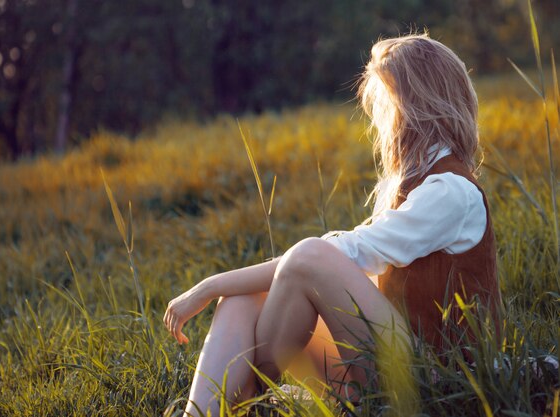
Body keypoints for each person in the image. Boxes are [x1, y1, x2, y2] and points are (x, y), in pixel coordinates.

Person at [163, 32, 501, 416]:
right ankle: (203, 411)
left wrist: (207, 286)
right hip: (396, 357)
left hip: (439, 380)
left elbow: (334, 255)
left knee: (308, 255)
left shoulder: (449, 191)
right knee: (244, 296)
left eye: (385, 105)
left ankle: (246, 396)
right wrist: (225, 287)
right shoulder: (419, 183)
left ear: (415, 107)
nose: (379, 122)